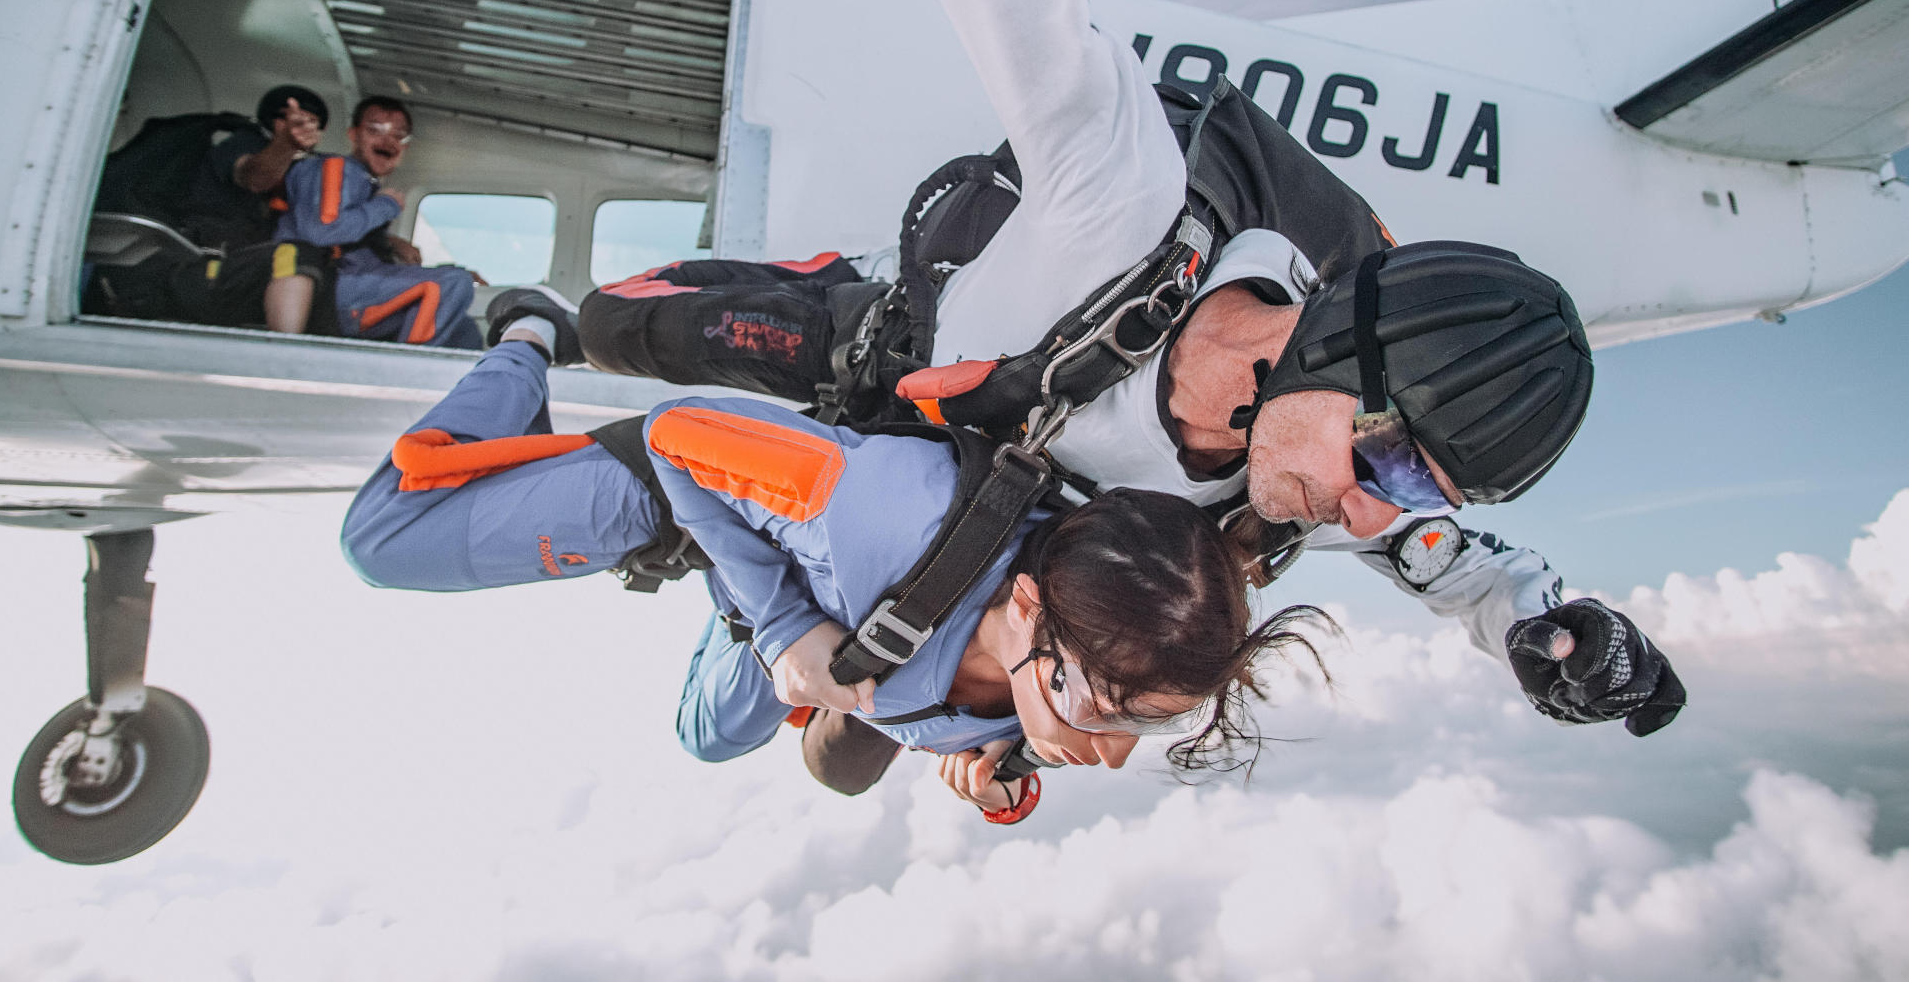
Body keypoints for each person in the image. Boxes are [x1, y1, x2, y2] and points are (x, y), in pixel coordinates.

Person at [572, 0, 1684, 753]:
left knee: (775, 735)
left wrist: (1547, 631)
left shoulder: (1304, 470)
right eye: (1389, 471)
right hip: (872, 358)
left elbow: (1460, 561)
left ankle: (739, 581)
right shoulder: (1127, 204)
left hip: (909, 531)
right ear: (1348, 356)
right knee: (608, 326)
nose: (1363, 519)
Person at [339, 298, 1328, 818]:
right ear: (1023, 609)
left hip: (805, 582)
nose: (1106, 752)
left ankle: (743, 589)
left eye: (1148, 724)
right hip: (687, 489)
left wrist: (1001, 780)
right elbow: (684, 429)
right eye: (1107, 713)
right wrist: (782, 622)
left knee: (711, 734)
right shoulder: (882, 510)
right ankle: (525, 338)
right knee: (382, 544)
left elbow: (1032, 713)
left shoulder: (1069, 661)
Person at [265, 96, 482, 348]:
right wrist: (385, 205)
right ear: (354, 135)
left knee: (464, 330)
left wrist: (393, 244)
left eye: (399, 135)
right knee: (452, 283)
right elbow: (322, 231)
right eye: (375, 130)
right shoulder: (335, 167)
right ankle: (407, 372)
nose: (388, 141)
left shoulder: (364, 181)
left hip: (360, 284)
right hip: (329, 290)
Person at [178, 85, 329, 253]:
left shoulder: (313, 164)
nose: (303, 128)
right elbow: (255, 179)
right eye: (295, 121)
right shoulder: (246, 141)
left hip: (260, 252)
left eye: (311, 123)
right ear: (276, 122)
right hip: (208, 247)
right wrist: (288, 144)